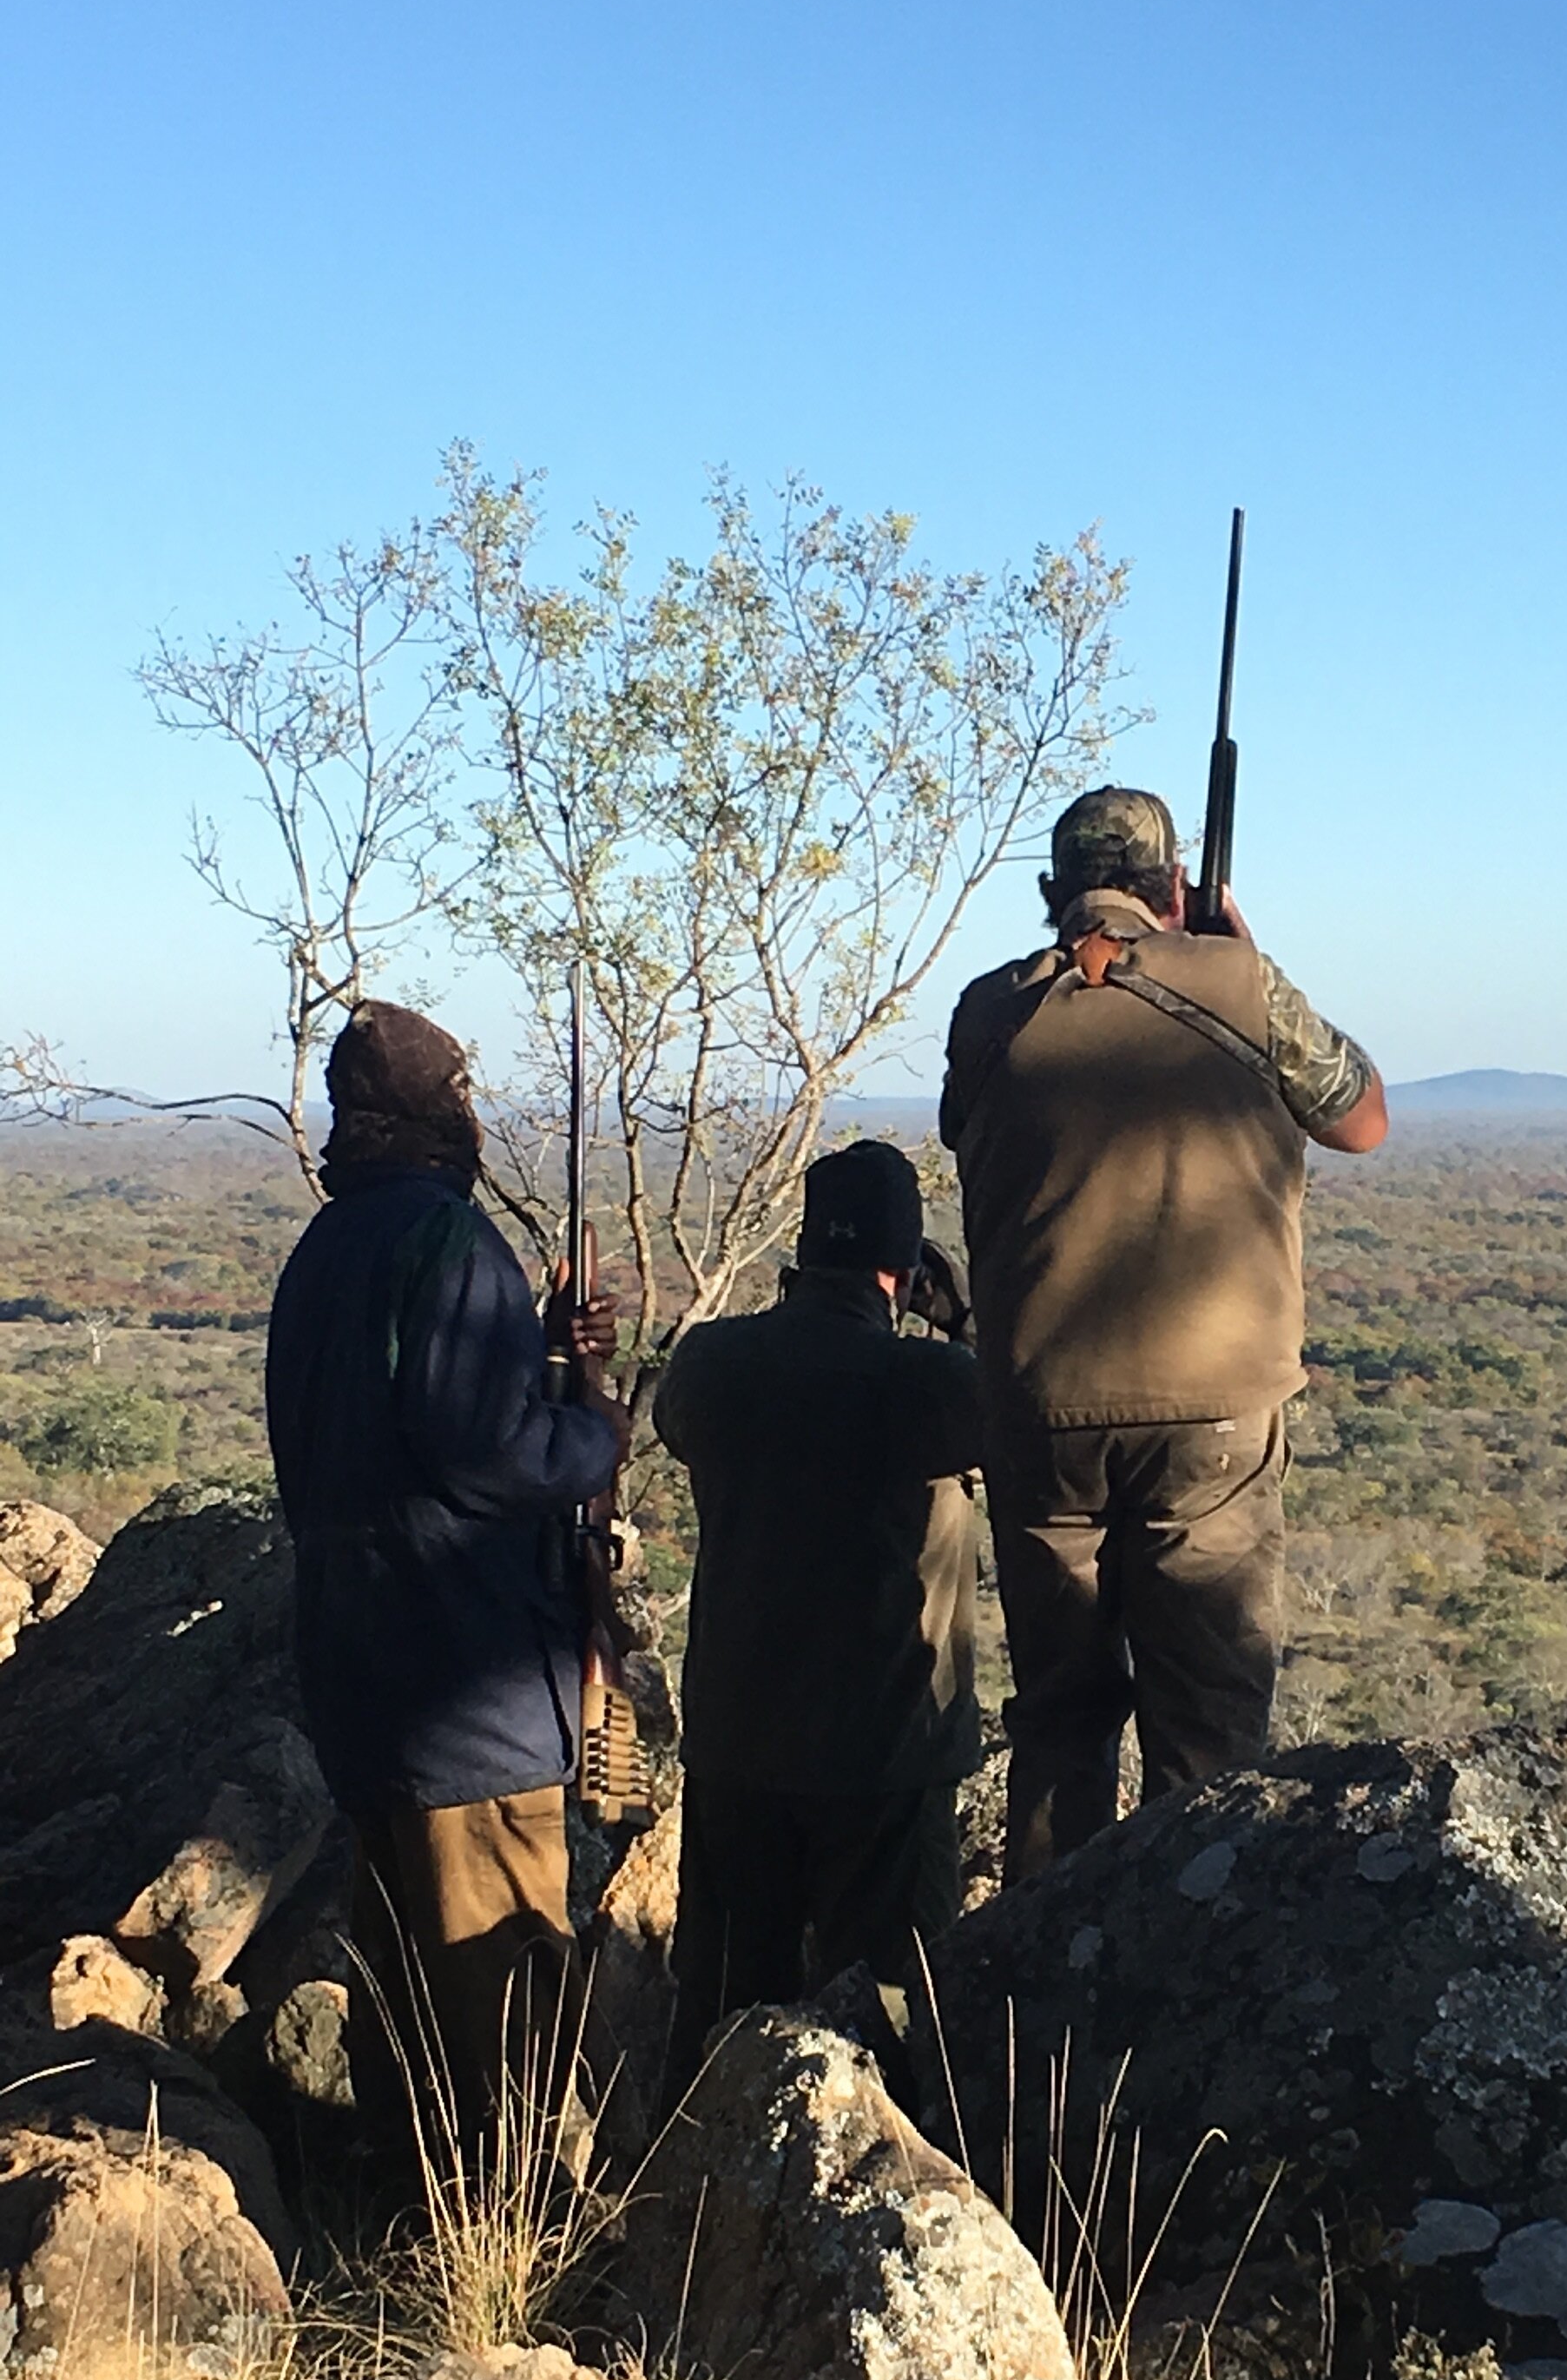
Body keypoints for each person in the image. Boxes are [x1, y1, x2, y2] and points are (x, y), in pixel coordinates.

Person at [941, 785, 1389, 1877]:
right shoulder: (1237, 982)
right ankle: (1189, 1973)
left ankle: (1041, 2001)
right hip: (1216, 1422)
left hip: (1042, 1414)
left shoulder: (989, 1011)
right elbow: (1363, 1121)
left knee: (1060, 1718)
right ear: (1174, 887)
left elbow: (967, 1130)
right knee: (1210, 1728)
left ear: (1055, 895)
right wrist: (1234, 955)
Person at [265, 1000, 625, 2164]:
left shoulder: (324, 1252)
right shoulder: (448, 1245)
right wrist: (596, 1431)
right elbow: (487, 1455)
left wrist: (541, 1348)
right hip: (471, 1696)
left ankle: (400, 2218)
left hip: (361, 1682)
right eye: (461, 1093)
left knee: (402, 1984)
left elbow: (391, 1428)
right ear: (436, 1110)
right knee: (506, 1988)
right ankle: (512, 2253)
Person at [650, 1140, 984, 2099]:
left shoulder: (713, 1366)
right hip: (887, 1754)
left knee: (721, 2004)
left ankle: (689, 2208)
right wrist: (959, 1319)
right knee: (895, 2027)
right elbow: (1025, 1405)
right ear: (905, 1269)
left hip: (738, 1744)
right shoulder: (931, 1384)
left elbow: (676, 1419)